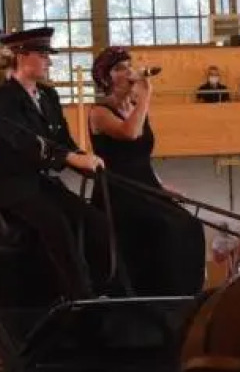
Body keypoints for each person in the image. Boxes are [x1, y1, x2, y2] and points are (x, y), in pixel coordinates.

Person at [0, 28, 113, 301]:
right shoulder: (3, 99)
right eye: (43, 55)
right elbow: (22, 143)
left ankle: (103, 288)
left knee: (94, 221)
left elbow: (61, 139)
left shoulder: (48, 97)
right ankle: (79, 296)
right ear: (21, 56)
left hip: (39, 182)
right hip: (9, 184)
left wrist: (85, 161)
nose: (49, 61)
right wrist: (68, 158)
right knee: (56, 223)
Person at [88, 46, 206, 297]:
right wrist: (145, 97)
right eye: (120, 68)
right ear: (105, 77)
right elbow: (129, 133)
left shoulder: (134, 107)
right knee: (167, 228)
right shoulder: (99, 112)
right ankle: (158, 292)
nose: (129, 72)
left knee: (190, 225)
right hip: (120, 190)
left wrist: (161, 186)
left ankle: (187, 294)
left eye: (129, 66)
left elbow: (142, 156)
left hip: (145, 184)